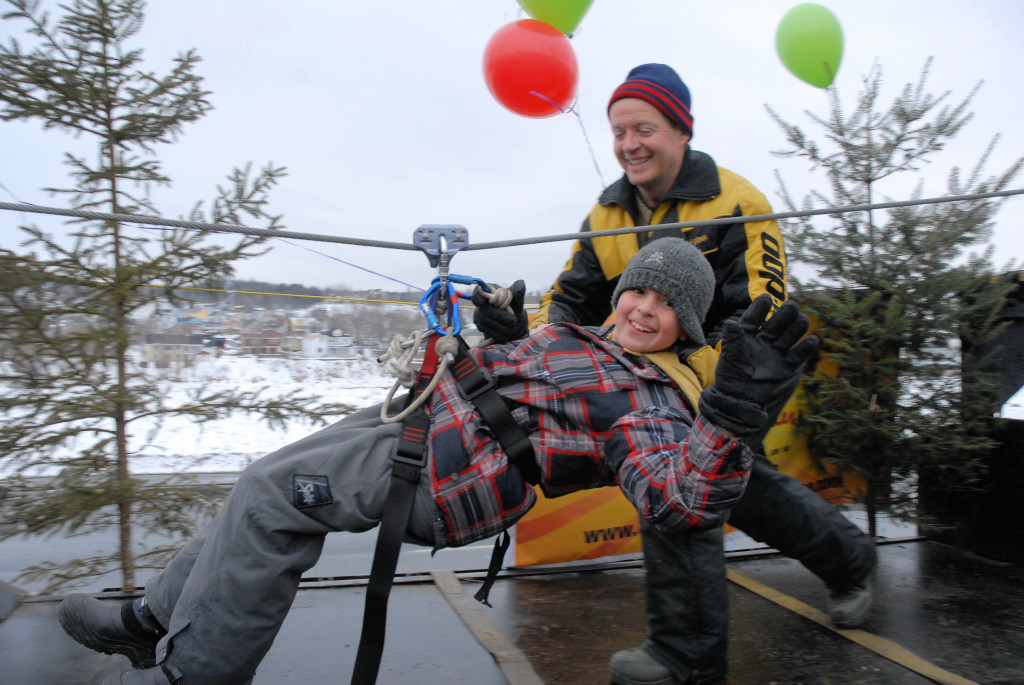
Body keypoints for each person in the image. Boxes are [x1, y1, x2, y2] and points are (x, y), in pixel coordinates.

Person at [57, 240, 819, 685]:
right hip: (432, 420)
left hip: (450, 476)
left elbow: (681, 501)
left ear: (683, 327)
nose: (644, 308)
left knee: (270, 501)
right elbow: (536, 391)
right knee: (263, 475)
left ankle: (194, 672)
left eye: (665, 306)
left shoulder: (648, 399)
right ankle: (152, 615)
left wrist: (732, 414)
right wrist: (505, 335)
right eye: (639, 290)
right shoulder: (586, 339)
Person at [531, 63, 878, 685]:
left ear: (681, 130)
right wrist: (529, 344)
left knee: (679, 480)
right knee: (743, 489)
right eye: (618, 131)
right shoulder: (606, 216)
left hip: (747, 374)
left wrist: (672, 381)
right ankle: (851, 559)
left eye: (645, 128)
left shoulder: (738, 201)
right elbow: (568, 301)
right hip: (665, 380)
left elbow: (761, 315)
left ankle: (684, 656)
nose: (629, 143)